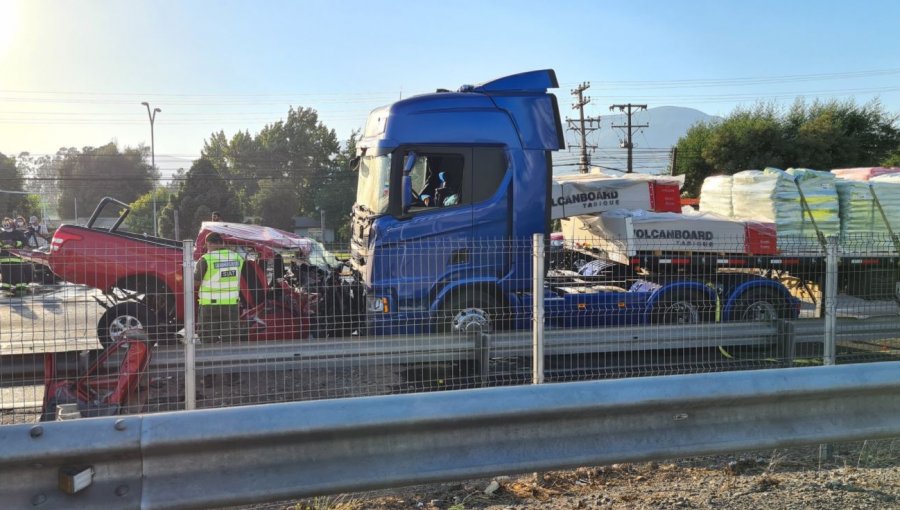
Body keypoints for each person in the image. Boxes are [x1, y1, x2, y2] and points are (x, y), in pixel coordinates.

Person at [194, 232, 245, 343]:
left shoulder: (206, 259)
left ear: (209, 244)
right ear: (222, 243)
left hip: (209, 306)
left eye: (206, 245)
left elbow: (195, 282)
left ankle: (211, 359)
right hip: (231, 305)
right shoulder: (237, 257)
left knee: (208, 340)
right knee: (231, 340)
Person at [1, 217, 31, 294]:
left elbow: (25, 243)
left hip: (16, 259)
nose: (6, 224)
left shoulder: (19, 233)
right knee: (5, 275)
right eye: (4, 223)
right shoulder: (1, 234)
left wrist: (15, 243)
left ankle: (21, 288)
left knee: (18, 275)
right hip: (4, 259)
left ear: (12, 224)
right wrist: (3, 243)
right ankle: (5, 288)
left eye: (7, 223)